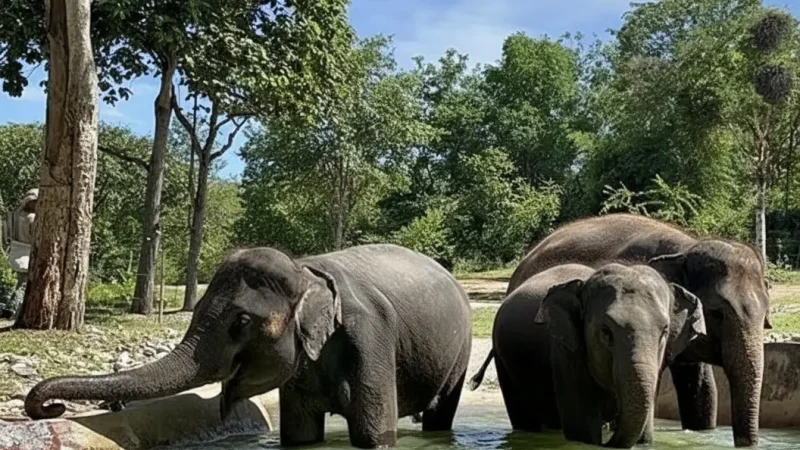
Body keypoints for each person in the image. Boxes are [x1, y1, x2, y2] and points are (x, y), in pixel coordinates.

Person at [1, 188, 37, 319]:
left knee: (19, 282)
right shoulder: (32, 217)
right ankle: (12, 307)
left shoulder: (14, 215)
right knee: (24, 284)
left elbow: (5, 235)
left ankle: (6, 304)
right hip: (26, 254)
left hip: (14, 252)